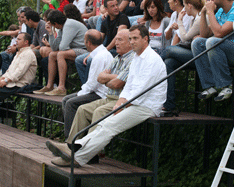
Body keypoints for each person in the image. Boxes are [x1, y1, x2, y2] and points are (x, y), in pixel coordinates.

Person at [46, 25, 167, 167]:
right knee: (105, 123)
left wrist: (122, 104)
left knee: (109, 125)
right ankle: (74, 152)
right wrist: (120, 101)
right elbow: (130, 85)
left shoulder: (152, 59)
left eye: (135, 38)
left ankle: (74, 153)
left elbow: (141, 90)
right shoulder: (137, 57)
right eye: (130, 38)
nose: (132, 41)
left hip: (147, 105)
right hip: (135, 101)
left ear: (145, 39)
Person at [65, 29, 134, 148]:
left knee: (88, 108)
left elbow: (116, 84)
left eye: (120, 40)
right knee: (82, 109)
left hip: (119, 99)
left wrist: (108, 78)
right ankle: (70, 145)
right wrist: (112, 78)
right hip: (108, 96)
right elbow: (100, 78)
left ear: (130, 43)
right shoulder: (117, 58)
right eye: (116, 39)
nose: (116, 43)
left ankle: (88, 151)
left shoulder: (133, 59)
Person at [61, 29, 113, 139]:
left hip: (100, 93)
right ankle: (75, 135)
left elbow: (93, 84)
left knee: (70, 103)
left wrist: (80, 94)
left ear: (88, 42)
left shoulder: (99, 57)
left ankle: (70, 141)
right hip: (96, 90)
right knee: (66, 100)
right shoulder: (99, 53)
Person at [161, 0, 205, 111]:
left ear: (190, 6)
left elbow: (184, 37)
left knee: (169, 50)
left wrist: (180, 21)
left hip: (198, 56)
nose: (184, 9)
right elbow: (186, 39)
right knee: (169, 62)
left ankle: (152, 65)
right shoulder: (194, 19)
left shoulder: (198, 18)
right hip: (189, 50)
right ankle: (169, 103)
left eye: (185, 6)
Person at [34, 10, 88, 95]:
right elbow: (54, 47)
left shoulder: (68, 25)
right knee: (52, 55)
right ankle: (49, 86)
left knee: (60, 54)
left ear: (56, 23)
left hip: (85, 50)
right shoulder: (63, 26)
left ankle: (61, 87)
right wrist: (50, 33)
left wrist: (59, 47)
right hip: (74, 49)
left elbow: (63, 48)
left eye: (52, 25)